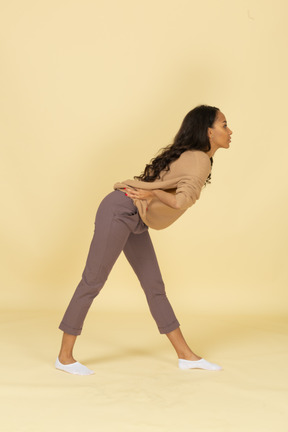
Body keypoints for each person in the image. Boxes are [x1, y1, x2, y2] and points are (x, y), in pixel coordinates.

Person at [55, 105, 232, 375]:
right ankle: (64, 357)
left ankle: (187, 356)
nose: (229, 131)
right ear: (209, 131)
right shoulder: (200, 160)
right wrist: (155, 196)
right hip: (121, 210)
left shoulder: (194, 156)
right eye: (224, 124)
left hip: (137, 216)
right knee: (93, 280)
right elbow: (180, 200)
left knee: (154, 286)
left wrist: (152, 196)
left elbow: (168, 195)